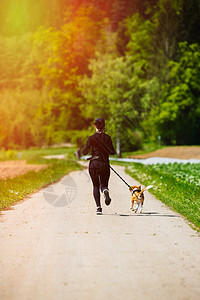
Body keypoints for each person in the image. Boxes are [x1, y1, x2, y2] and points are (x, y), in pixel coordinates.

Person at [82, 118, 116, 215]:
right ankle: (105, 190)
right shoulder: (108, 138)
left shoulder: (91, 138)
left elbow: (84, 152)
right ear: (104, 126)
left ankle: (98, 208)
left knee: (95, 185)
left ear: (95, 126)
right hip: (104, 163)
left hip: (94, 164)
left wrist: (88, 150)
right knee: (104, 184)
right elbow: (112, 152)